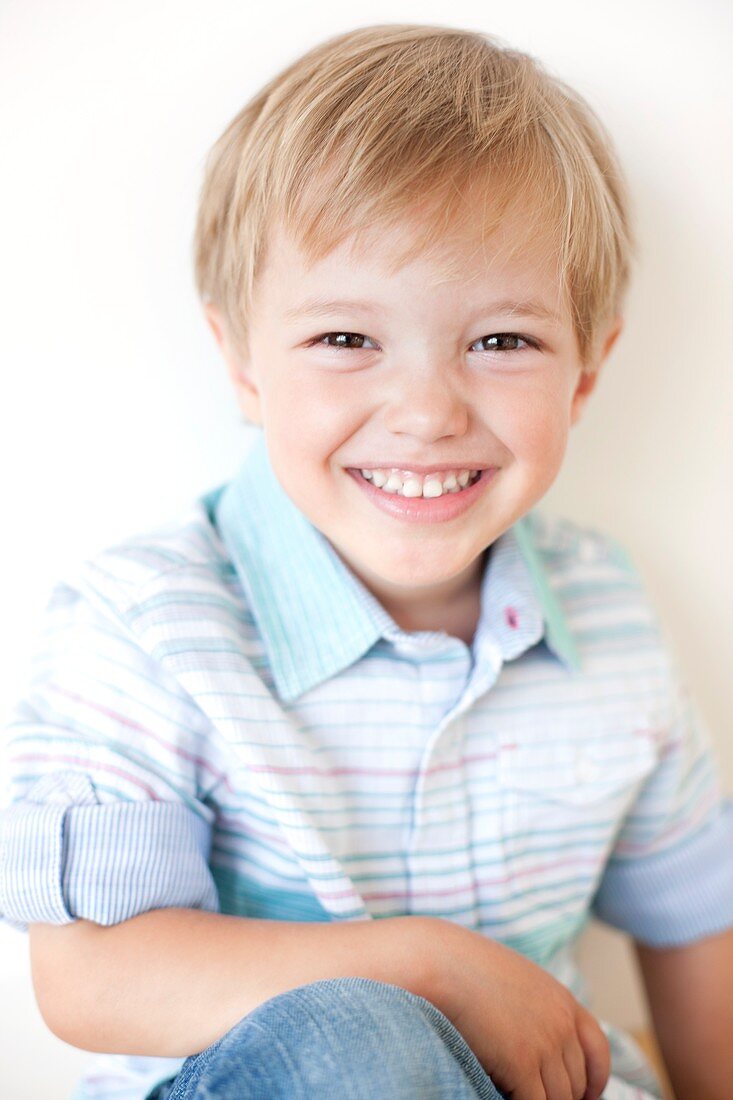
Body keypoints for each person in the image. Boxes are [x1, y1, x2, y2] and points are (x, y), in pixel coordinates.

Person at [1, 21, 731, 1100]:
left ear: (585, 372)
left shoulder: (607, 607)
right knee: (355, 1037)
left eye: (501, 341)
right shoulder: (144, 619)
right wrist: (431, 965)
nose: (428, 412)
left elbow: (697, 927)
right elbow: (92, 975)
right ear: (242, 362)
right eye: (347, 339)